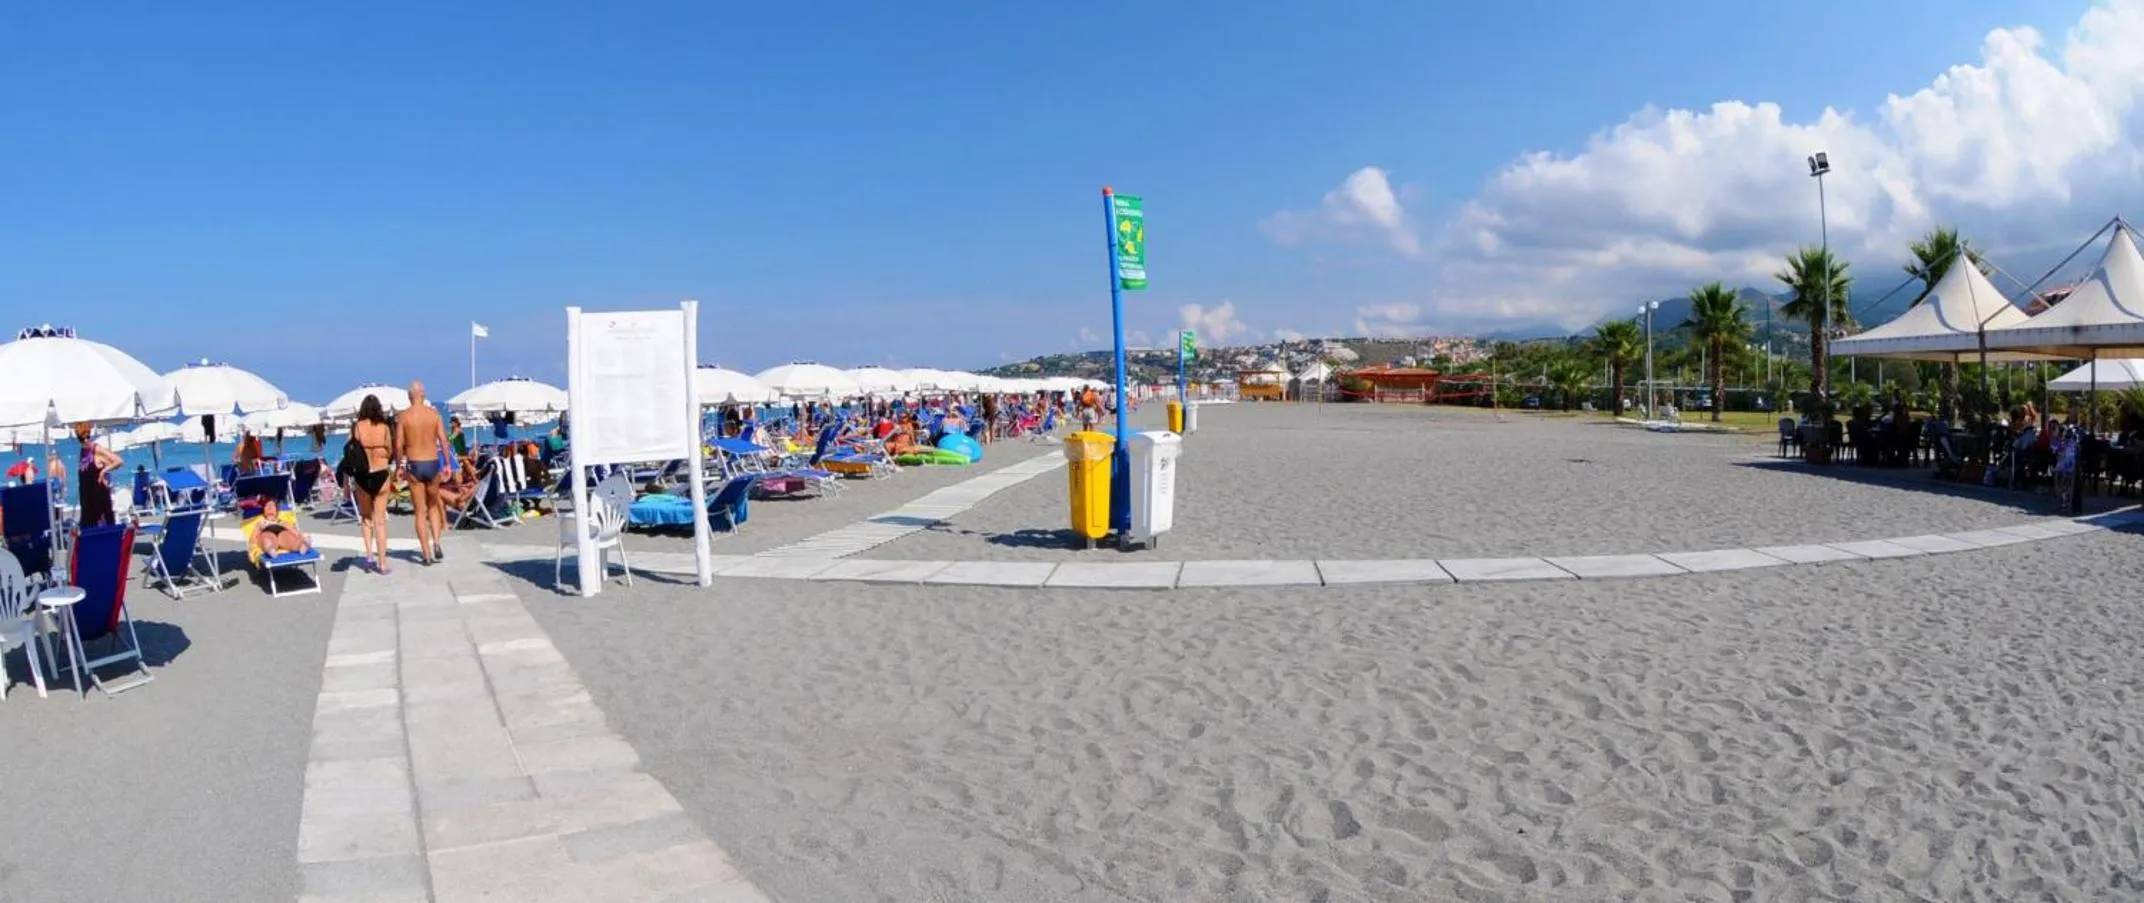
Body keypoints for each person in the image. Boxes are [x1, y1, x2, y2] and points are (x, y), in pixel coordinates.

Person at [396, 380, 451, 565]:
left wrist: (399, 466)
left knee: (420, 511)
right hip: (432, 462)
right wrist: (447, 464)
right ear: (424, 395)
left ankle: (426, 555)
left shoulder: (404, 417)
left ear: (409, 396)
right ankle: (436, 542)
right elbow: (443, 440)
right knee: (434, 506)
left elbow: (398, 445)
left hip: (414, 464)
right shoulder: (434, 414)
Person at [350, 394, 397, 574]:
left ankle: (369, 555)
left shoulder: (357, 427)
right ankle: (382, 563)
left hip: (363, 475)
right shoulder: (384, 428)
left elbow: (351, 452)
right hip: (381, 473)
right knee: (380, 522)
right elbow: (390, 451)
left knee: (366, 518)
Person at [74, 422, 122, 527]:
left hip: (99, 500)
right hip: (87, 501)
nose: (85, 440)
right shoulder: (82, 452)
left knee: (103, 528)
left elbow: (118, 461)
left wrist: (104, 471)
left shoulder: (96, 449)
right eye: (82, 438)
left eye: (87, 437)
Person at [250, 497, 314, 558]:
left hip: (282, 534)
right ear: (263, 511)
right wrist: (259, 531)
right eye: (267, 506)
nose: (270, 508)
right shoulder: (261, 523)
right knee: (266, 536)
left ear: (276, 512)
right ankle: (269, 547)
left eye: (272, 506)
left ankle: (301, 545)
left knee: (287, 537)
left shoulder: (282, 522)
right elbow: (253, 537)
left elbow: (294, 531)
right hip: (268, 534)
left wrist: (301, 536)